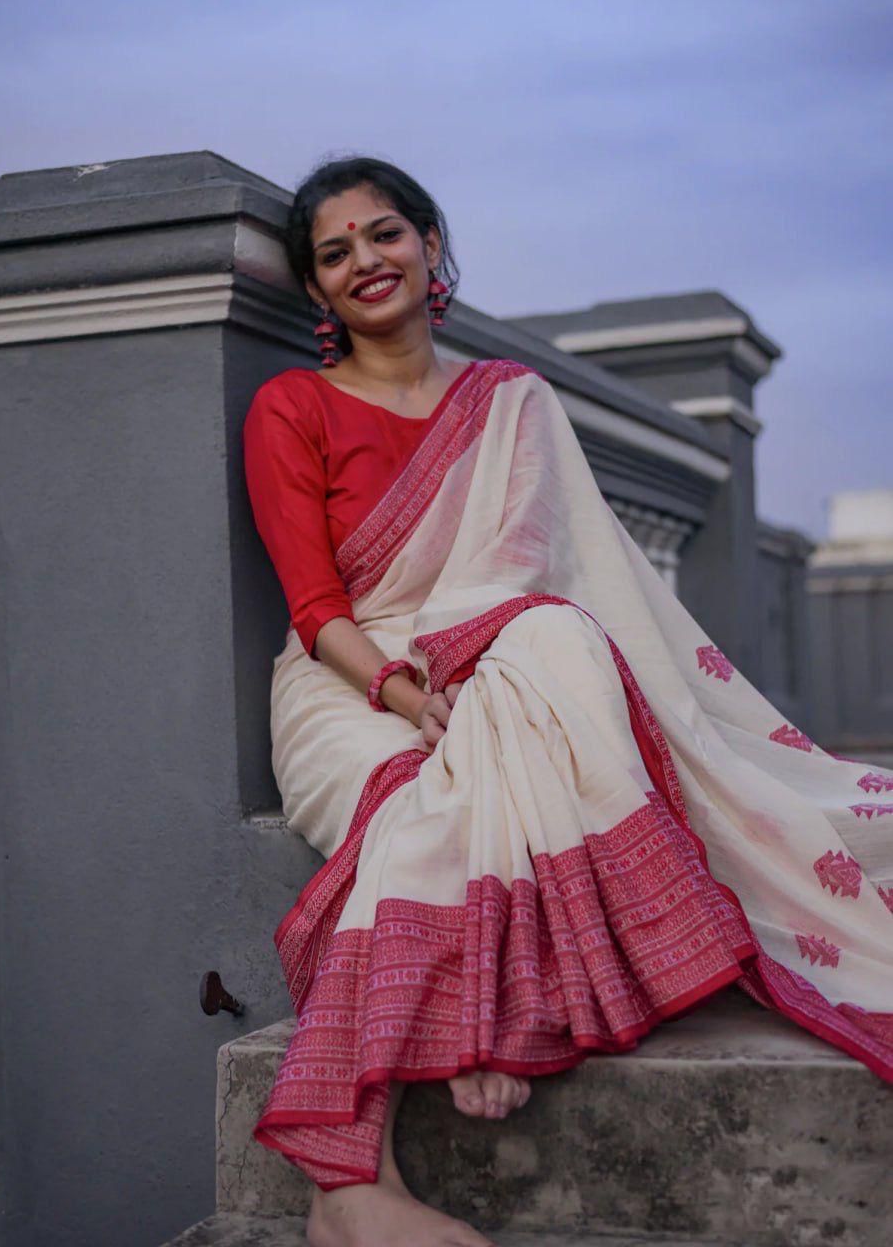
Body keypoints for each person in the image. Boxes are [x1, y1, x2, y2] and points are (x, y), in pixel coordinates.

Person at [242, 155, 893, 1247]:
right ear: (315, 288)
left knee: (551, 643)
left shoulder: (510, 402)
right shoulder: (292, 404)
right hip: (350, 680)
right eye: (334, 253)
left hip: (493, 662)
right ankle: (349, 1184)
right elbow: (316, 606)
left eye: (385, 234)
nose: (365, 262)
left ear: (431, 244)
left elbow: (529, 573)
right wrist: (403, 692)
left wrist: (467, 683)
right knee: (425, 802)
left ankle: (486, 1016)